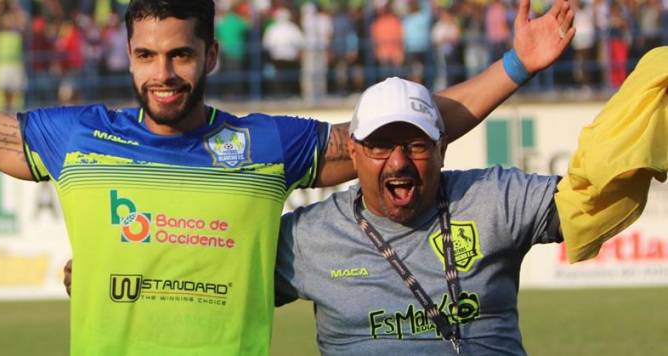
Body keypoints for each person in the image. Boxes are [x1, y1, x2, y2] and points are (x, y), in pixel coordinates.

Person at [0, 0, 575, 355]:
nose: (164, 73)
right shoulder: (74, 139)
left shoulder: (266, 145)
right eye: (148, 55)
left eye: (181, 55)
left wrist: (516, 66)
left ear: (209, 55)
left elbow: (403, 139)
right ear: (128, 57)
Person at [274, 58, 666, 354]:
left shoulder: (492, 198)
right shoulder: (308, 237)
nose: (398, 162)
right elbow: (223, 288)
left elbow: (587, 200)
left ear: (442, 148)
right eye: (380, 145)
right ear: (354, 154)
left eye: (415, 145)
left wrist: (655, 84)